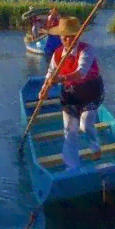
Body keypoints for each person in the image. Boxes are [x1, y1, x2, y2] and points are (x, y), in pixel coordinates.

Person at [38, 17, 104, 171]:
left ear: (78, 35)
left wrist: (60, 78)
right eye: (64, 36)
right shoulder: (58, 54)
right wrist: (44, 89)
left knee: (86, 124)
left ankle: (95, 147)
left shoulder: (87, 50)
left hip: (90, 91)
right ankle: (72, 166)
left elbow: (81, 72)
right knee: (70, 131)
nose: (67, 39)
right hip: (70, 94)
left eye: (71, 35)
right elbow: (50, 73)